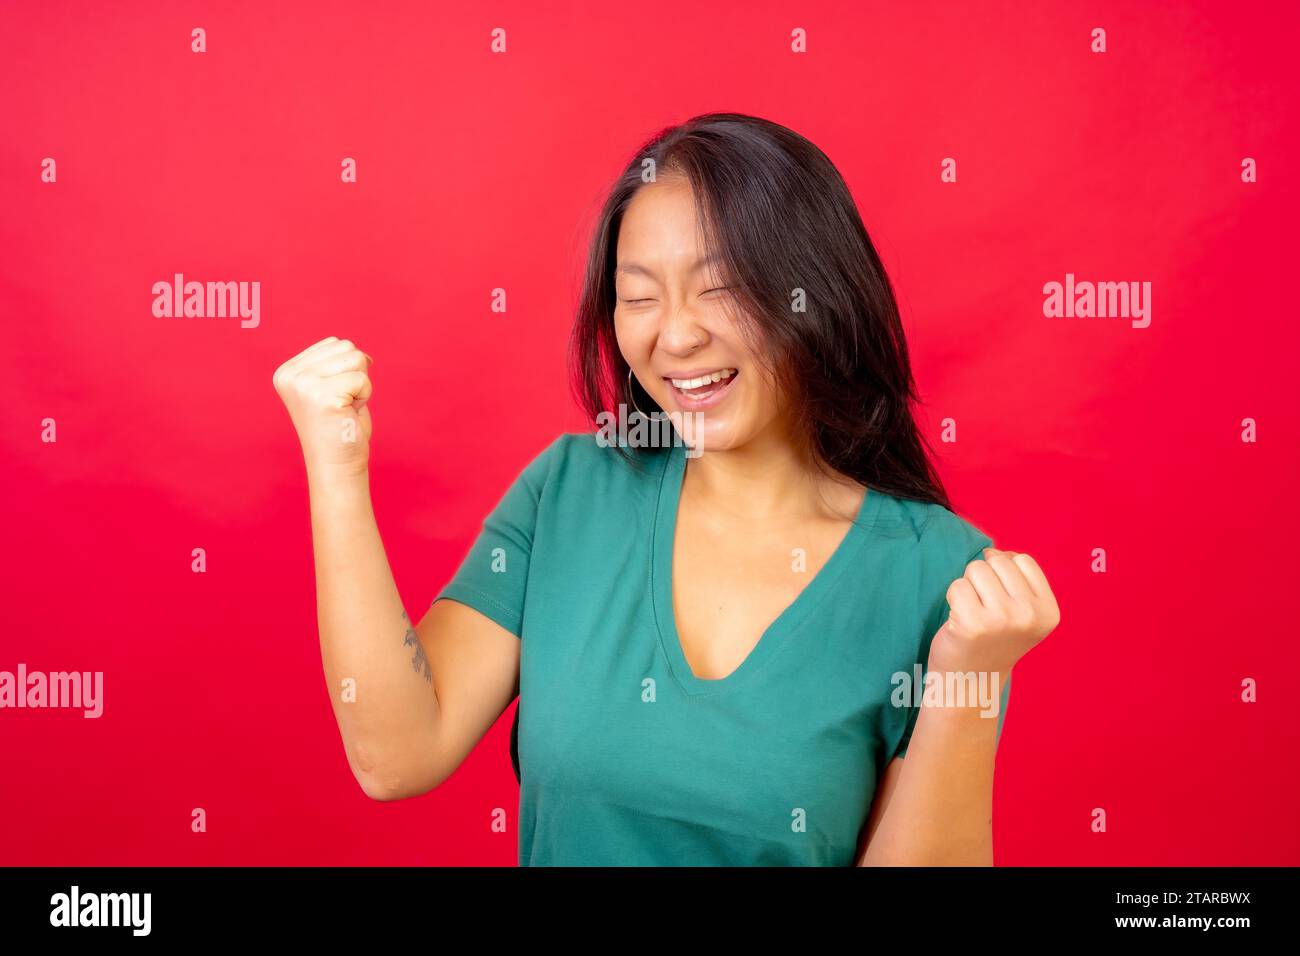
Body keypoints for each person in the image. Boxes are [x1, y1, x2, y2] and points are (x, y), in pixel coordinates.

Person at [272, 112, 1060, 866]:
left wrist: (970, 682)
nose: (675, 337)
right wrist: (337, 470)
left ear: (813, 291)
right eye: (640, 296)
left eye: (719, 289)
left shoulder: (940, 579)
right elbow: (397, 754)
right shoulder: (569, 494)